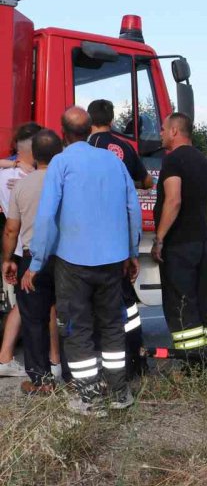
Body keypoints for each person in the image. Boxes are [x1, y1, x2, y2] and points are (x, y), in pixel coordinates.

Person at [26, 107, 141, 414]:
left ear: (63, 133)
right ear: (91, 129)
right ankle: (119, 393)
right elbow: (132, 209)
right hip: (112, 262)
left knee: (77, 330)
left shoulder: (61, 163)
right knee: (112, 326)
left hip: (73, 263)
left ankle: (89, 398)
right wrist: (131, 253)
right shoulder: (113, 162)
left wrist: (37, 264)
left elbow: (47, 216)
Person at [87, 99, 151, 378]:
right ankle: (136, 359)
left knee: (92, 302)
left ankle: (101, 364)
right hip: (121, 234)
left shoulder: (85, 147)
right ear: (112, 120)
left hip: (91, 236)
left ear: (90, 120)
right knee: (126, 302)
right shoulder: (126, 147)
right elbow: (147, 182)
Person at [3, 130, 63, 393]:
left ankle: (41, 382)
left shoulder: (22, 186)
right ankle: (74, 376)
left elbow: (11, 230)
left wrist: (8, 260)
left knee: (34, 320)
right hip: (68, 259)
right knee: (75, 316)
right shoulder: (66, 181)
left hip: (32, 259)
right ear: (59, 152)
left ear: (33, 155)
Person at [152, 113, 207, 367]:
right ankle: (205, 358)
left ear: (175, 131)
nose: (161, 134)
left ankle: (192, 364)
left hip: (179, 245)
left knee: (181, 303)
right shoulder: (202, 161)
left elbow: (173, 199)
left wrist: (160, 238)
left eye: (164, 129)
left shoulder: (173, 161)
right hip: (201, 241)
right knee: (201, 301)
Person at [0, 122, 40, 378]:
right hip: (31, 245)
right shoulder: (26, 178)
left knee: (26, 302)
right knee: (38, 302)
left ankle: (5, 356)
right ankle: (53, 362)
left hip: (18, 245)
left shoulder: (10, 174)